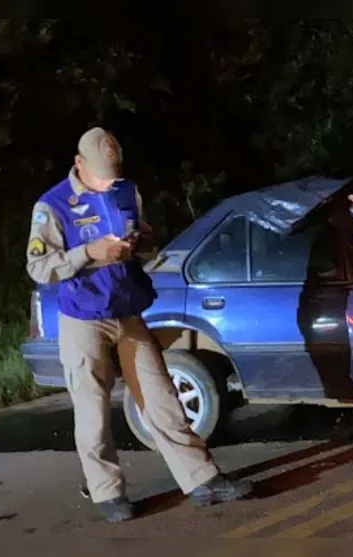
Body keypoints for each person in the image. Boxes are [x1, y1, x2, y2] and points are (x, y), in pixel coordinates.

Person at [25, 127, 253, 523]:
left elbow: (144, 237)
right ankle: (108, 493)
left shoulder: (126, 190)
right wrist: (88, 253)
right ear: (79, 165)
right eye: (101, 176)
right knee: (92, 411)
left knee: (162, 398)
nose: (109, 183)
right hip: (83, 317)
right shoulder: (52, 206)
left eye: (113, 174)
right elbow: (39, 268)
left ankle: (202, 480)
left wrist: (142, 241)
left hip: (127, 311)